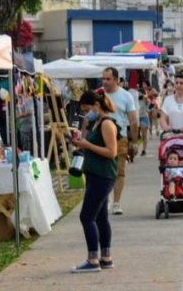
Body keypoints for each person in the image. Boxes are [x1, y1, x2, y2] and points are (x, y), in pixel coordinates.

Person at [70, 90, 119, 273]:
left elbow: (111, 152)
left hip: (103, 175)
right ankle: (106, 257)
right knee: (100, 217)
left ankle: (93, 259)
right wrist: (82, 143)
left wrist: (87, 145)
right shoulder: (96, 122)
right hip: (96, 174)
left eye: (87, 109)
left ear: (97, 106)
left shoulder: (106, 123)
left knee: (86, 216)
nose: (86, 113)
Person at [102, 67, 138, 215]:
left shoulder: (126, 96)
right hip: (102, 138)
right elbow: (90, 115)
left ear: (116, 80)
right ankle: (104, 199)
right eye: (103, 79)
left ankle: (116, 202)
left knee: (119, 171)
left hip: (120, 138)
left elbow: (133, 120)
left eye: (108, 79)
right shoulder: (99, 94)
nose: (105, 82)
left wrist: (134, 141)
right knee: (103, 171)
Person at [137, 87, 150, 156]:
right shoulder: (134, 100)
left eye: (140, 93)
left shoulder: (145, 99)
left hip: (144, 117)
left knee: (144, 135)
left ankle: (144, 150)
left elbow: (148, 103)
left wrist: (145, 97)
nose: (138, 94)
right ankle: (134, 149)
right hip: (136, 118)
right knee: (135, 135)